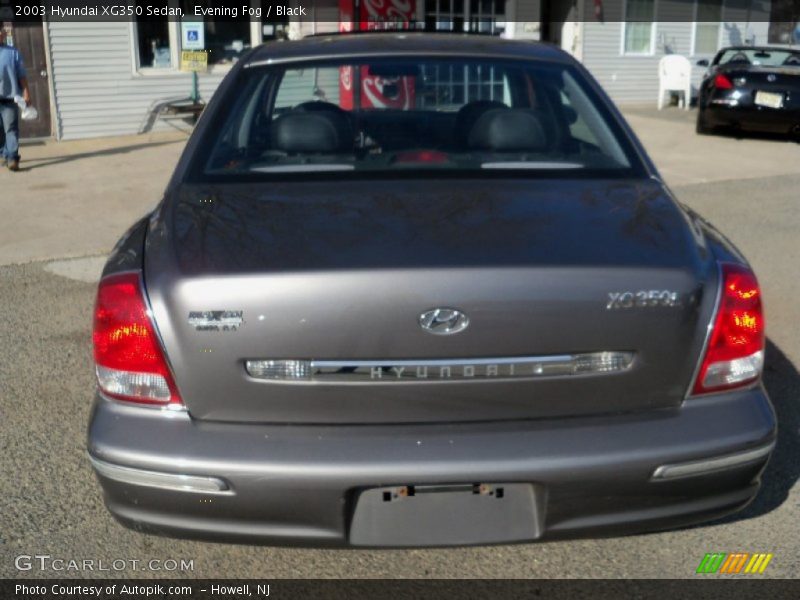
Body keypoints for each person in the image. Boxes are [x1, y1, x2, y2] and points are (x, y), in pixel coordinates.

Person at [0, 27, 31, 172]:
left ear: (4, 34)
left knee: (10, 129)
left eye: (1, 32)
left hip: (10, 99)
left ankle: (12, 158)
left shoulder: (13, 53)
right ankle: (5, 154)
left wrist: (26, 93)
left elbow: (22, 75)